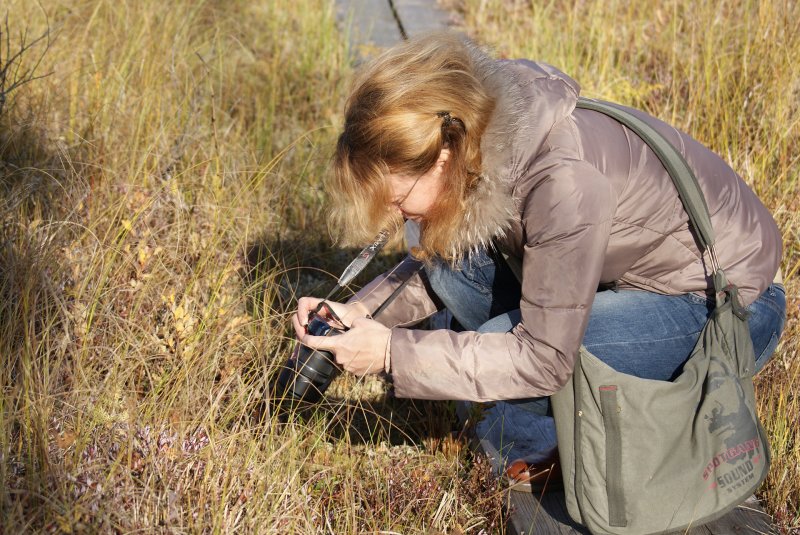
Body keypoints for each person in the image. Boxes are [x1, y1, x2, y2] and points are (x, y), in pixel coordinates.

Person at [291, 32, 786, 486]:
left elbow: (544, 361)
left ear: (441, 158)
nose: (396, 217)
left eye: (398, 201)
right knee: (450, 255)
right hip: (633, 279)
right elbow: (440, 258)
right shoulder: (487, 144)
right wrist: (359, 314)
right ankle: (547, 425)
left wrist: (389, 354)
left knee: (503, 351)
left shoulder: (561, 184)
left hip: (727, 312)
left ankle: (607, 427)